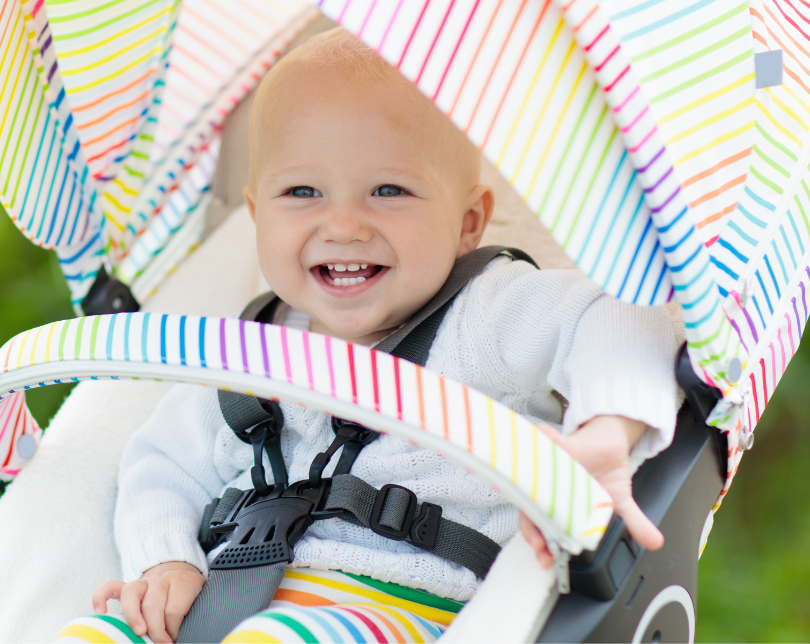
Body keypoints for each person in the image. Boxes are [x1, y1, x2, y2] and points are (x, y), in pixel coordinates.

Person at [59, 27, 680, 644]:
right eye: (302, 192)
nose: (345, 225)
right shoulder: (245, 351)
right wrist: (165, 561)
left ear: (468, 223)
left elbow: (624, 310)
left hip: (390, 608)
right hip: (219, 605)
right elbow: (161, 466)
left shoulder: (485, 315)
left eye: (389, 190)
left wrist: (608, 431)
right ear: (257, 215)